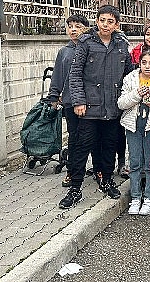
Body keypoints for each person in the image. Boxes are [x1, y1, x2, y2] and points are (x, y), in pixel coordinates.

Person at [61, 5, 133, 209]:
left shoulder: (121, 45)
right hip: (89, 107)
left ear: (116, 25)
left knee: (109, 146)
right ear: (97, 21)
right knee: (82, 147)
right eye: (102, 20)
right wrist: (78, 101)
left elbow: (129, 75)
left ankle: (107, 180)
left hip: (112, 108)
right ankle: (75, 188)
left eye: (110, 21)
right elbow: (75, 74)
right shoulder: (86, 43)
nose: (106, 25)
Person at [119, 49, 150, 216]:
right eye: (144, 63)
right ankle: (135, 197)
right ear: (139, 63)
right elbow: (121, 103)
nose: (147, 66)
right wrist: (136, 94)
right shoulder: (131, 78)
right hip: (133, 126)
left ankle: (149, 197)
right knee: (134, 162)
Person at [46, 14, 90, 188]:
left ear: (85, 28)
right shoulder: (64, 52)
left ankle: (98, 169)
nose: (73, 29)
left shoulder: (91, 47)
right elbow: (57, 75)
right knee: (74, 138)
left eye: (77, 26)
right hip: (70, 102)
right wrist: (54, 97)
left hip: (90, 102)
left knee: (91, 138)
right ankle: (72, 171)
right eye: (70, 26)